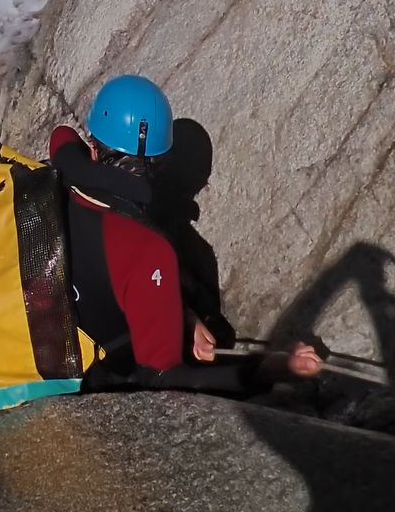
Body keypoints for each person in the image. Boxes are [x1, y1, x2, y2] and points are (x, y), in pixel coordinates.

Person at [52, 74, 322, 395]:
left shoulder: (62, 181)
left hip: (31, 341)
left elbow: (62, 135)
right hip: (83, 385)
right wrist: (269, 369)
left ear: (93, 146)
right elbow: (162, 377)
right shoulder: (147, 250)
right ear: (160, 164)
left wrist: (183, 317)